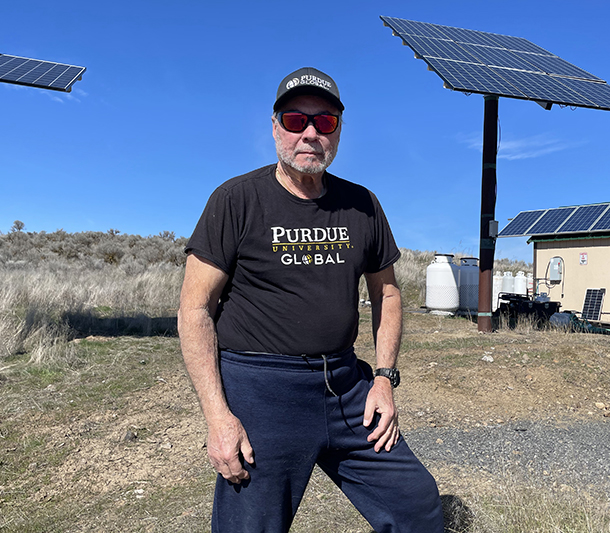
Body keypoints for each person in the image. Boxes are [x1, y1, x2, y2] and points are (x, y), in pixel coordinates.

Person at [178, 67, 443, 532]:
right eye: (296, 119)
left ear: (338, 131)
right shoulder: (236, 199)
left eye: (324, 122)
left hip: (346, 387)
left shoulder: (362, 204)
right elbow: (194, 309)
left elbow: (388, 292)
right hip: (262, 391)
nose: (309, 133)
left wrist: (383, 379)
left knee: (415, 504)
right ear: (275, 126)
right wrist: (218, 417)